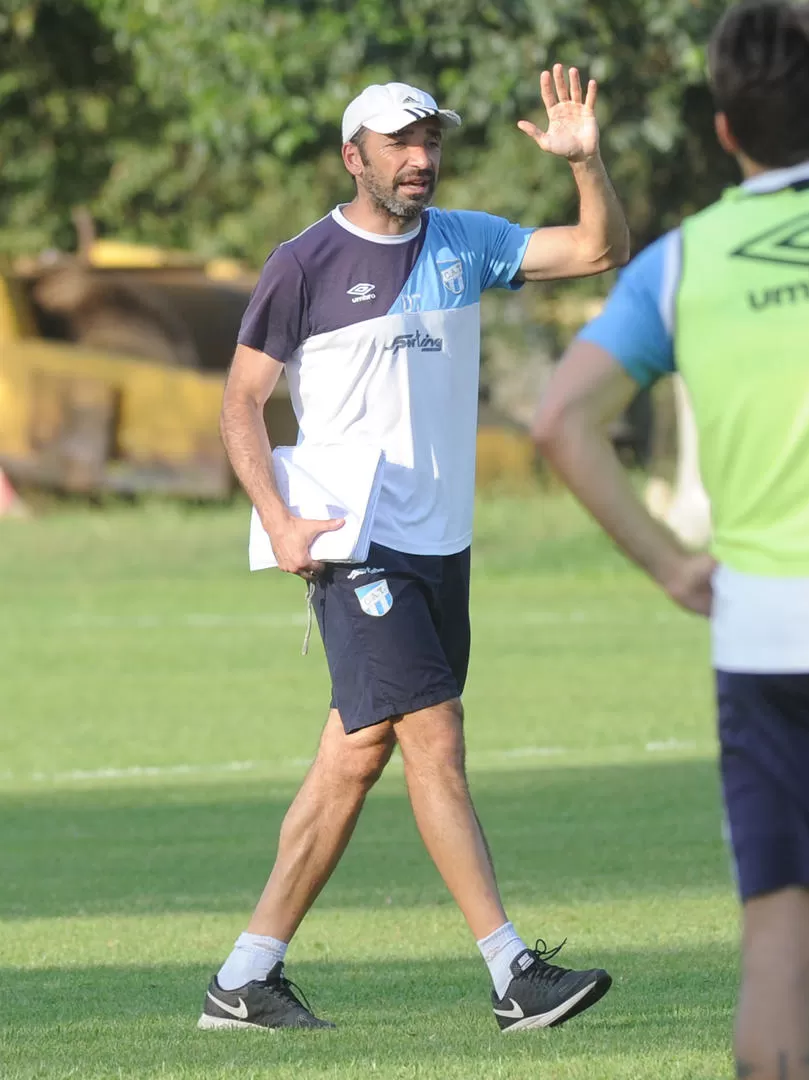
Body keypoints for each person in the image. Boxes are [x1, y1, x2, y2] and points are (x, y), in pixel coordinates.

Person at [198, 68, 629, 1032]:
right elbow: (239, 402)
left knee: (355, 757)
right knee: (435, 738)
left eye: (430, 139)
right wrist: (275, 515)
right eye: (399, 142)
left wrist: (587, 163)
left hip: (443, 543)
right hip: (358, 542)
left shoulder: (467, 243)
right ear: (355, 156)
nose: (420, 157)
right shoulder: (303, 264)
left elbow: (599, 248)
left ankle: (244, 978)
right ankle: (513, 972)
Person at [531, 4, 809, 1077]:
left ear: (724, 131)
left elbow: (560, 421)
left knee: (779, 960)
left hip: (771, 645)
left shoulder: (683, 262)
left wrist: (669, 563)